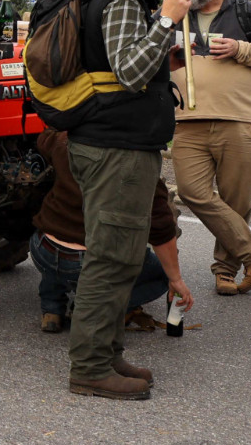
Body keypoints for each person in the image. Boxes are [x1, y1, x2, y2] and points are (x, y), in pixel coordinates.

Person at [59, 0, 191, 400]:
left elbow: (126, 65)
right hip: (114, 148)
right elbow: (129, 72)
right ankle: (90, 367)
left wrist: (161, 53)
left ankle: (108, 353)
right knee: (111, 259)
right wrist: (167, 20)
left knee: (123, 258)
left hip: (118, 145)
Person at [168, 0, 251, 296]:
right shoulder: (177, 13)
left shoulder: (247, 11)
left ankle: (225, 270)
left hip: (239, 119)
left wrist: (239, 48)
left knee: (237, 202)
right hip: (188, 121)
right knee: (192, 191)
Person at [30, 129, 192, 333]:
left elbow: (44, 139)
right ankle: (91, 308)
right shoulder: (140, 164)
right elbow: (161, 229)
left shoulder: (66, 139)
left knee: (61, 236)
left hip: (41, 248)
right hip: (86, 261)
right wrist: (175, 279)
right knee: (161, 274)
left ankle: (52, 309)